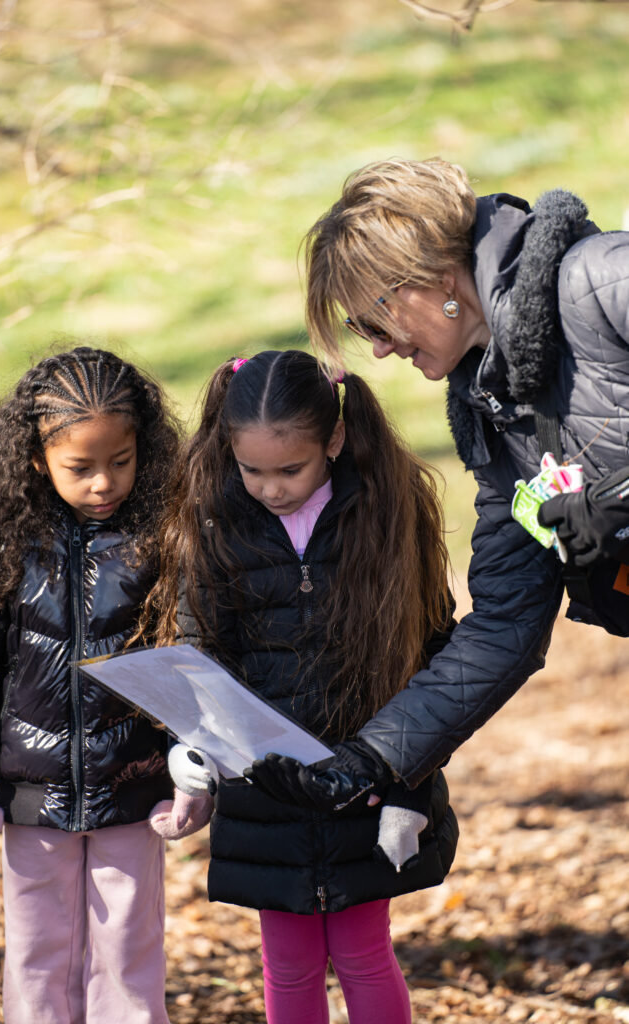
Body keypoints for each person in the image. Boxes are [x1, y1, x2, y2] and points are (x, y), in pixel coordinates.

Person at [250, 156, 629, 815]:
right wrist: (371, 759)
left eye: (373, 320)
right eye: (360, 331)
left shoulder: (602, 279)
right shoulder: (490, 411)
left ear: (434, 279)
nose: (377, 348)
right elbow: (506, 620)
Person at [143, 349, 459, 1024]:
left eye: (290, 470)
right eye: (250, 469)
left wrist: (408, 785)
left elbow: (433, 653)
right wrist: (191, 751)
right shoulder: (213, 519)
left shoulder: (387, 509)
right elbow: (199, 653)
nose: (270, 489)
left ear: (334, 440)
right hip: (265, 788)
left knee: (363, 952)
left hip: (369, 776)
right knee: (286, 962)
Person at [0, 346, 182, 1024]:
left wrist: (192, 764)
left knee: (129, 952)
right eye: (80, 467)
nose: (104, 483)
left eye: (121, 461)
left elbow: (187, 657)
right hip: (32, 796)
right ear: (35, 459)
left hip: (132, 786)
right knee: (36, 954)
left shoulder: (163, 537)